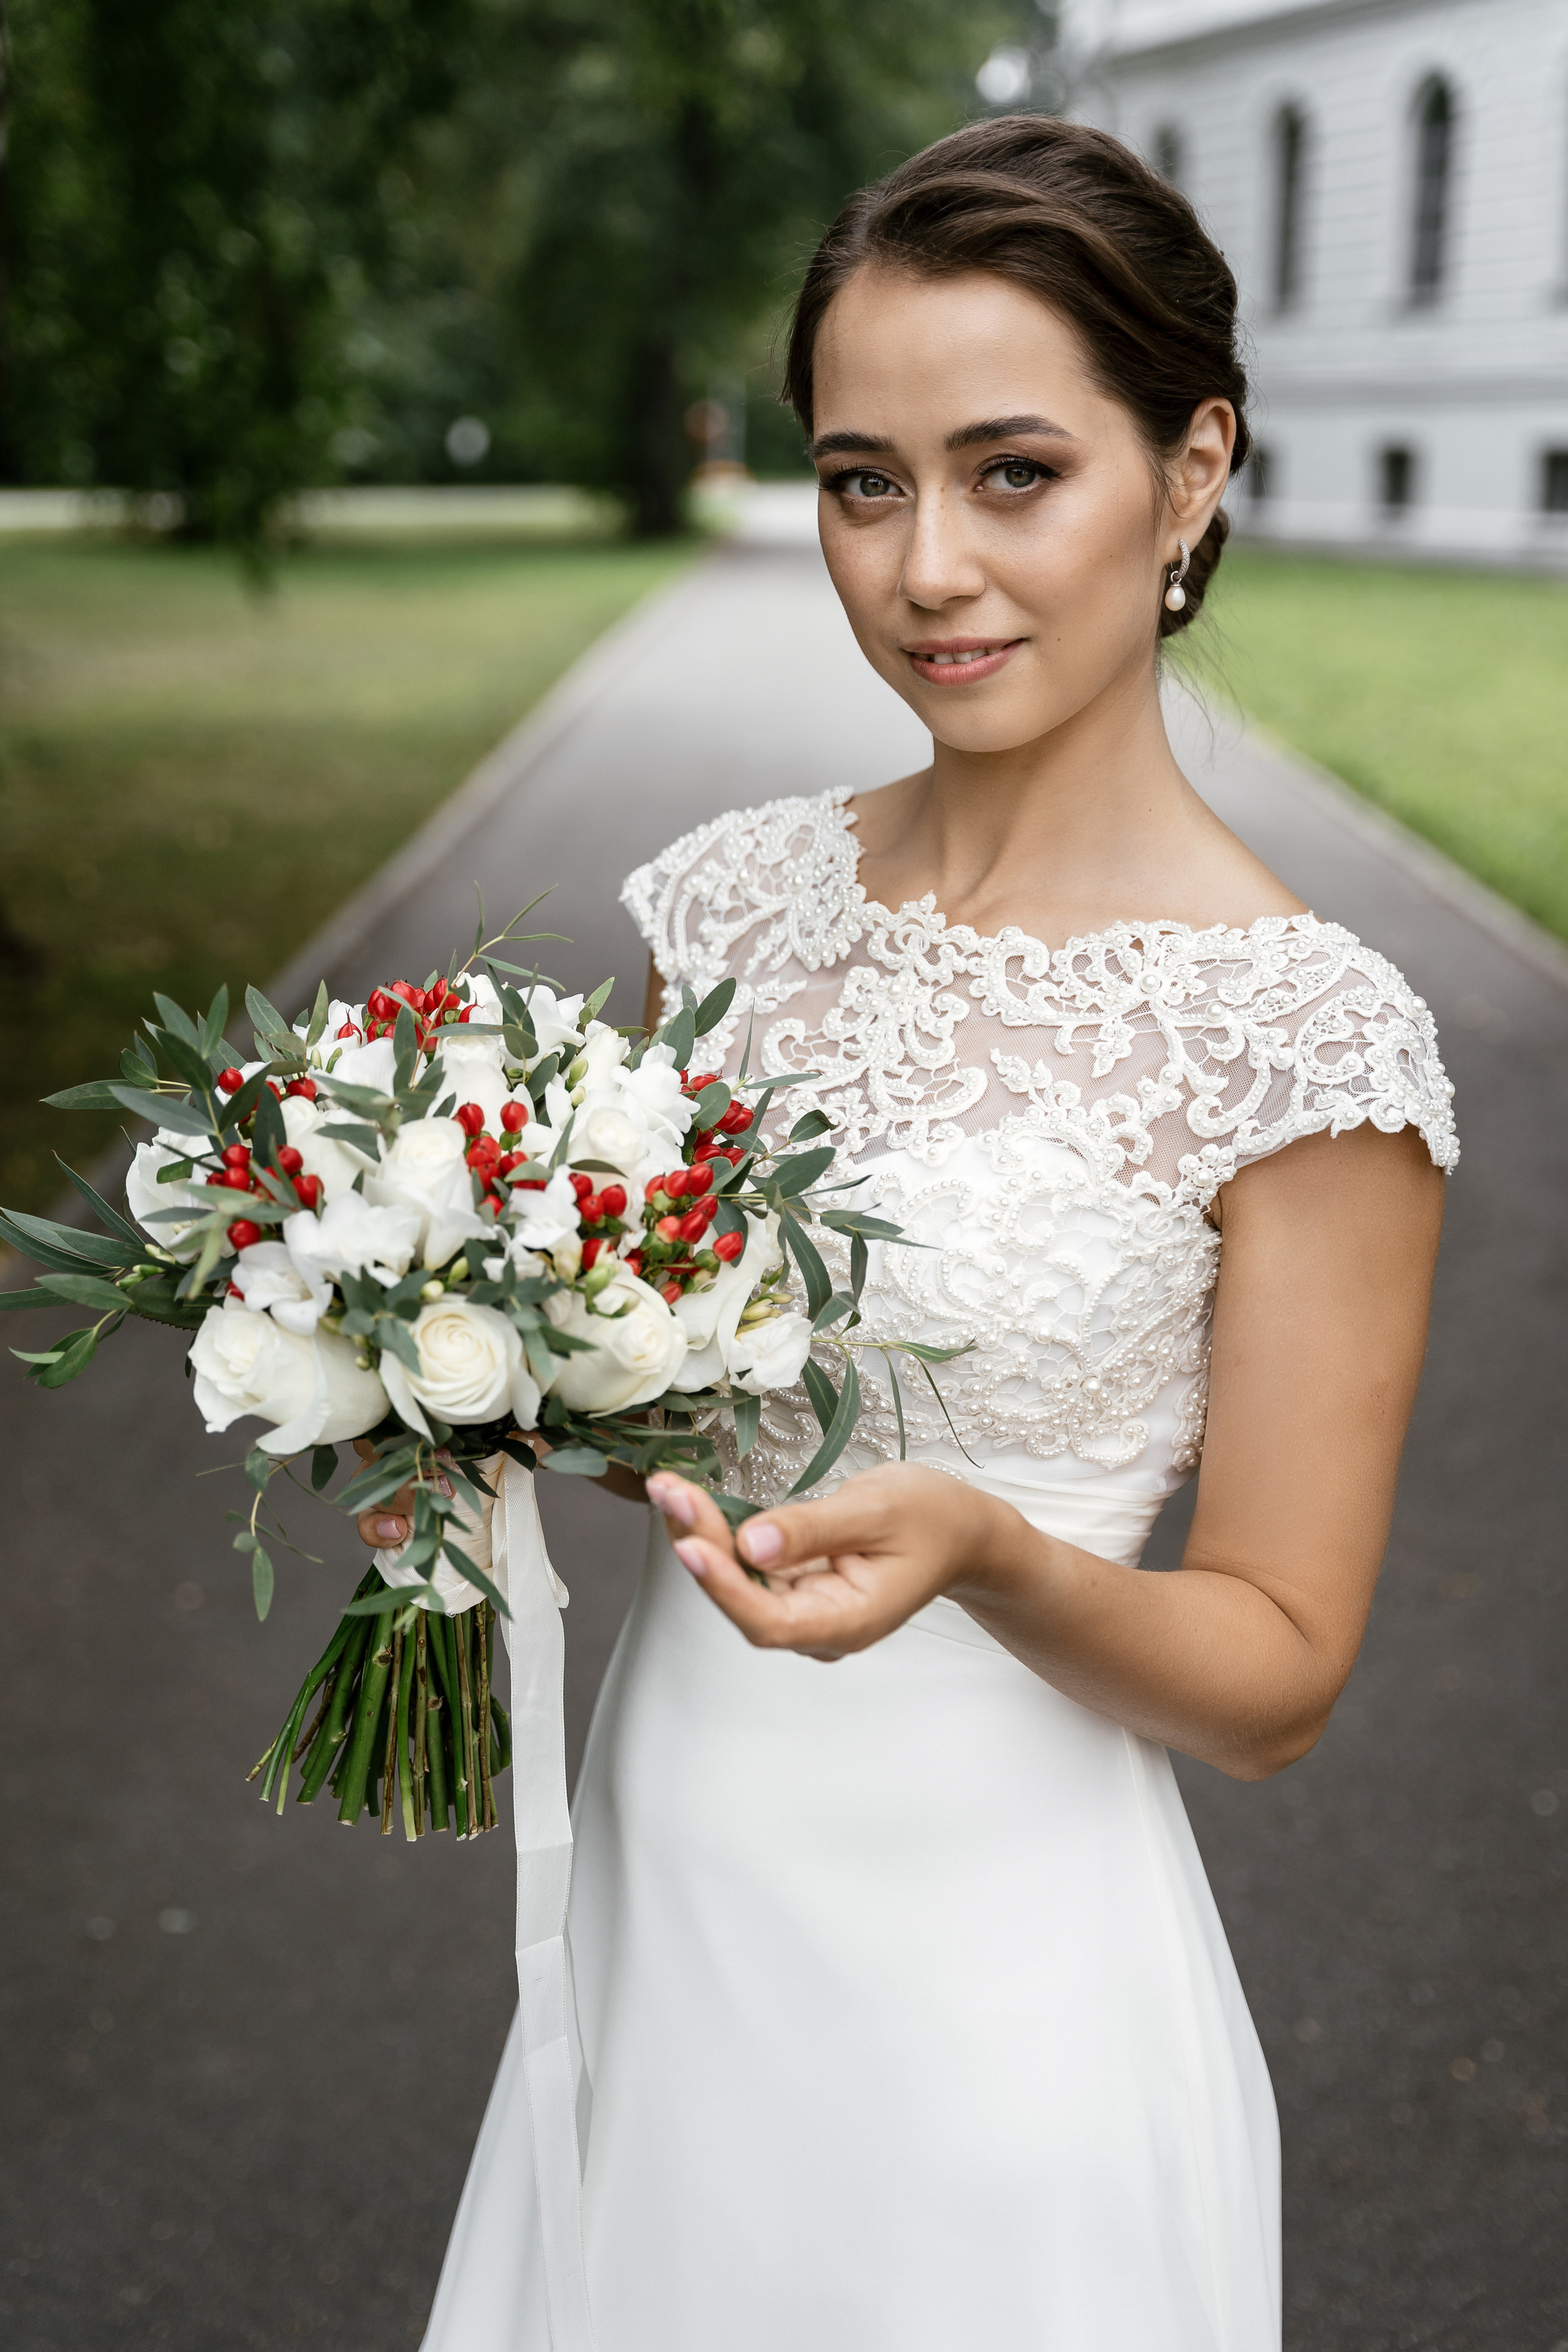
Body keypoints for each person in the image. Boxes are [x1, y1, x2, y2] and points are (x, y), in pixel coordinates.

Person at [363, 116, 1456, 2352]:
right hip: (675, 1886)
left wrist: (996, 1551)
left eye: (1013, 471)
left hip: (997, 2004)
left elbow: (1277, 1679)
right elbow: (660, 1371)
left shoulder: (1303, 1042)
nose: (926, 565)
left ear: (1194, 469)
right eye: (865, 480)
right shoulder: (734, 906)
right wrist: (429, 1359)